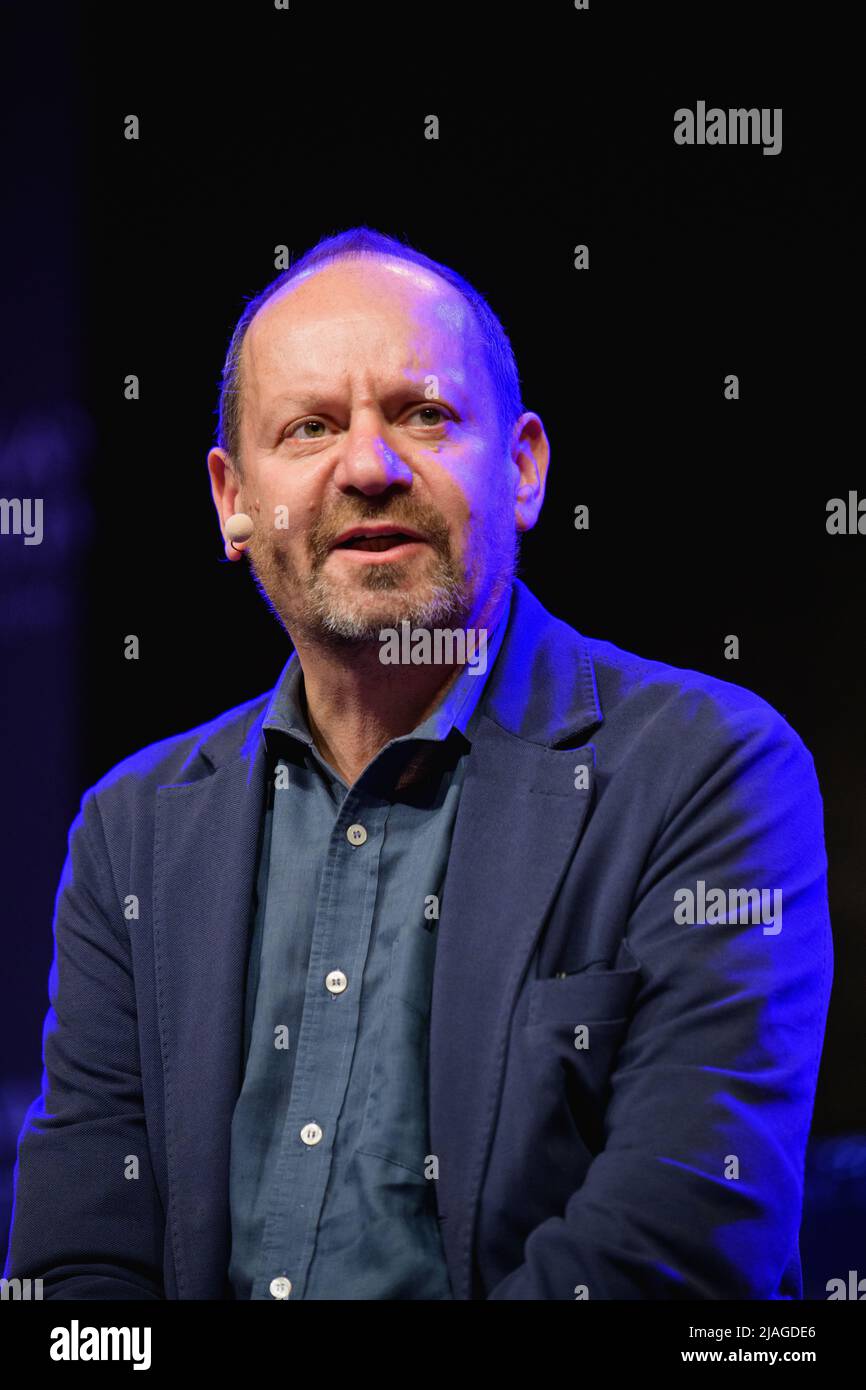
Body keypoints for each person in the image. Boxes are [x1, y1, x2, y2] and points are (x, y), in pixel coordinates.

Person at [4, 227, 832, 1299]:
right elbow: (77, 1273)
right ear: (233, 503)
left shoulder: (708, 771)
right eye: (308, 428)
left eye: (423, 414)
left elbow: (671, 1252)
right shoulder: (132, 829)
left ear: (523, 468)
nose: (367, 465)